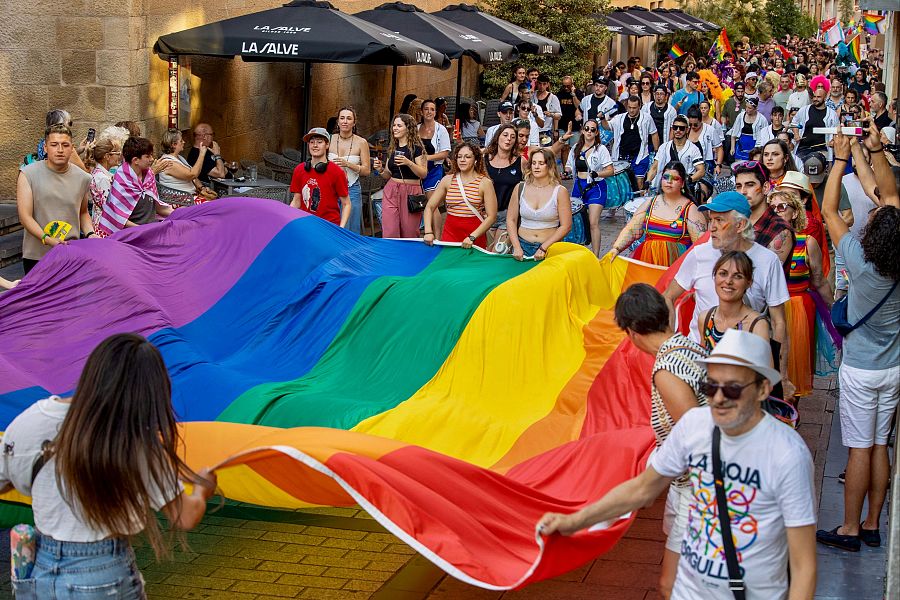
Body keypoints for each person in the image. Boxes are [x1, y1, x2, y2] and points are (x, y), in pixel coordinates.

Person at [539, 328, 817, 600]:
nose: (718, 398)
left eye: (732, 388)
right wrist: (574, 521)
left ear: (762, 390)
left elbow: (803, 566)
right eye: (711, 386)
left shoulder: (787, 454)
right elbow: (642, 489)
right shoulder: (694, 426)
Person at [0, 333, 218, 598]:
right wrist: (202, 490)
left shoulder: (33, 419)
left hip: (41, 573)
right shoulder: (138, 443)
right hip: (103, 575)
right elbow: (185, 517)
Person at [816, 130, 899, 552]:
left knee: (860, 448)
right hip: (893, 367)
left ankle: (849, 528)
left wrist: (839, 159)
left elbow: (829, 208)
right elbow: (889, 197)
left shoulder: (857, 259)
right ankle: (872, 524)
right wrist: (874, 152)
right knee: (881, 443)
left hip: (862, 370)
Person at [612, 283, 709, 598]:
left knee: (673, 582)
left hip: (700, 487)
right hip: (693, 483)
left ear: (632, 334)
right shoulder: (691, 347)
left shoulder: (667, 369)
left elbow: (698, 435)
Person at [663, 191, 790, 391]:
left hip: (742, 365)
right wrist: (669, 346)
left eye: (719, 220)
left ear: (740, 225)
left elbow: (779, 321)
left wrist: (782, 376)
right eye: (710, 220)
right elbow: (668, 297)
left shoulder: (768, 260)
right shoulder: (699, 254)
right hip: (696, 359)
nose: (711, 227)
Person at [767, 189, 833, 397]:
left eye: (782, 207)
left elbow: (819, 281)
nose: (776, 212)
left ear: (795, 213)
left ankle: (790, 416)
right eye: (772, 208)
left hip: (798, 308)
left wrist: (835, 311)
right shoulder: (761, 241)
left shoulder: (807, 243)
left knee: (794, 368)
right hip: (769, 308)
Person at [17, 124, 93, 275]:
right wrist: (48, 239)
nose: (60, 150)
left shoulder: (83, 178)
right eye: (54, 145)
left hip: (70, 254)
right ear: (45, 148)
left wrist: (91, 234)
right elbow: (25, 217)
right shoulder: (28, 174)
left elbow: (83, 213)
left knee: (71, 298)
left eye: (65, 145)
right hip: (37, 256)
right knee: (38, 299)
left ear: (72, 148)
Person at [611, 161, 704, 267]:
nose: (669, 181)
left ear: (682, 183)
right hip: (647, 264)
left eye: (675, 178)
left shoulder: (690, 209)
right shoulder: (649, 204)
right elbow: (632, 230)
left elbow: (700, 245)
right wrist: (616, 249)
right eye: (666, 177)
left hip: (676, 269)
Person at [423, 141, 497, 249]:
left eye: (467, 157)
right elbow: (429, 207)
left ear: (476, 160)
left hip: (475, 236)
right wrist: (428, 232)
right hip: (450, 234)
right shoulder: (447, 180)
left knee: (472, 265)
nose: (462, 160)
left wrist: (472, 237)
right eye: (459, 157)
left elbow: (491, 216)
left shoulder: (485, 183)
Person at [97, 137, 173, 237]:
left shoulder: (149, 176)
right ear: (136, 160)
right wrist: (142, 230)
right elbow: (117, 218)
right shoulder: (121, 180)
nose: (152, 159)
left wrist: (179, 214)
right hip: (132, 236)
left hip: (151, 230)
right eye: (148, 156)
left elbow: (158, 207)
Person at [506, 148, 572, 261]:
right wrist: (516, 247)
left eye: (541, 163)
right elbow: (511, 219)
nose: (536, 167)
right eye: (534, 163)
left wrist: (543, 248)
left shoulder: (560, 191)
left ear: (550, 166)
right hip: (522, 247)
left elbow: (566, 226)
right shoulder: (520, 188)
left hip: (550, 248)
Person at [698, 250, 771, 349]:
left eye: (737, 276)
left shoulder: (757, 325)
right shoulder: (705, 318)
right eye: (723, 274)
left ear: (749, 283)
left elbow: (765, 364)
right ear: (715, 277)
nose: (728, 281)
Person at [565, 119, 613, 256]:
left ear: (597, 132)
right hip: (579, 186)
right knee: (575, 222)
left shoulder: (601, 149)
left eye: (593, 129)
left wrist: (597, 173)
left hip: (596, 187)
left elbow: (611, 170)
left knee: (593, 222)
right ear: (582, 130)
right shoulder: (575, 148)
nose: (589, 132)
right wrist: (566, 172)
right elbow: (569, 165)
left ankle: (596, 255)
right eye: (587, 129)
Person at [733, 159, 794, 266]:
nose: (743, 191)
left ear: (765, 188)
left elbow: (763, 275)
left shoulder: (780, 230)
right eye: (738, 186)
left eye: (750, 185)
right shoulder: (734, 221)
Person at [290, 127, 351, 227]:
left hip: (329, 226)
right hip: (305, 225)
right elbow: (296, 201)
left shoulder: (337, 172)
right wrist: (289, 221)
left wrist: (341, 228)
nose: (315, 145)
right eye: (312, 142)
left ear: (327, 145)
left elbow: (346, 204)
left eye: (319, 142)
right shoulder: (299, 170)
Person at [379, 114, 428, 238]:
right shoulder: (392, 148)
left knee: (409, 232)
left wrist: (408, 163)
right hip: (391, 189)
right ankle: (392, 256)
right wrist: (379, 169)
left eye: (399, 125)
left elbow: (423, 173)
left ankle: (409, 257)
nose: (395, 128)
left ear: (408, 128)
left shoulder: (417, 149)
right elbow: (387, 174)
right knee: (390, 230)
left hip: (411, 191)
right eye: (394, 125)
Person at [329, 107, 373, 234]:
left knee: (350, 229)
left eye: (349, 118)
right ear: (337, 121)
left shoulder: (361, 142)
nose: (345, 121)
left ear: (354, 123)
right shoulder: (329, 139)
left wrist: (348, 164)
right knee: (331, 227)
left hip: (351, 189)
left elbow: (366, 171)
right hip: (330, 189)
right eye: (342, 118)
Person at [604, 96, 658, 190]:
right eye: (629, 107)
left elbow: (654, 133)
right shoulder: (619, 118)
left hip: (640, 155)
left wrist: (657, 151)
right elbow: (607, 127)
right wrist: (602, 119)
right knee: (622, 183)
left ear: (639, 106)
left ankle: (639, 202)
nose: (631, 110)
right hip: (621, 155)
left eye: (634, 108)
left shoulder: (647, 118)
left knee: (639, 183)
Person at [484, 123, 522, 246]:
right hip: (486, 214)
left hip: (507, 215)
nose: (508, 139)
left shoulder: (521, 161)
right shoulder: (484, 159)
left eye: (512, 137)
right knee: (486, 253)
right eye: (505, 135)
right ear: (497, 137)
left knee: (499, 252)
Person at [646, 116, 704, 192]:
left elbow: (701, 170)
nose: (678, 130)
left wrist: (689, 180)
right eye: (675, 127)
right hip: (664, 187)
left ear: (687, 130)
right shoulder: (664, 147)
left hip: (683, 189)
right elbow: (654, 168)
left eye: (681, 128)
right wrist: (648, 181)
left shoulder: (693, 149)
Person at [157, 129, 210, 202]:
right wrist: (202, 154)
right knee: (218, 207)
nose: (184, 142)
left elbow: (193, 176)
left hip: (190, 197)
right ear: (174, 144)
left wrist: (202, 187)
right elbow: (192, 174)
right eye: (181, 141)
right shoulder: (168, 162)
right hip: (181, 200)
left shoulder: (180, 158)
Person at [87, 136, 123, 234]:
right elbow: (108, 207)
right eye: (117, 153)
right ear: (107, 156)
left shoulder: (100, 174)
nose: (119, 156)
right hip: (105, 227)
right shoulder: (102, 178)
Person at [792, 87, 838, 159]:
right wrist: (796, 134)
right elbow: (794, 123)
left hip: (822, 150)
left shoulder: (832, 114)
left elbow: (837, 131)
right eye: (814, 96)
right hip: (803, 149)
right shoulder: (804, 110)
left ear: (825, 98)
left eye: (819, 97)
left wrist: (833, 141)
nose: (816, 99)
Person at [686, 105, 723, 196]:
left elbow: (719, 148)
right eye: (690, 124)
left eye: (695, 124)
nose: (693, 127)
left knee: (702, 192)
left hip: (706, 165)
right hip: (689, 165)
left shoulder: (710, 130)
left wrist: (718, 165)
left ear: (700, 120)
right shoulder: (686, 130)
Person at [729, 97, 770, 162]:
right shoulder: (741, 116)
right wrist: (732, 147)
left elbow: (765, 136)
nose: (747, 109)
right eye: (746, 107)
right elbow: (734, 132)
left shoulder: (762, 119)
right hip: (741, 144)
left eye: (750, 108)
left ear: (755, 109)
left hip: (755, 145)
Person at [556, 75, 584, 168]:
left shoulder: (578, 93)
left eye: (568, 86)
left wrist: (573, 95)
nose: (566, 88)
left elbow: (579, 106)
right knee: (564, 148)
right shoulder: (559, 94)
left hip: (575, 126)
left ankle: (574, 168)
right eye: (564, 86)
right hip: (562, 125)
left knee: (575, 148)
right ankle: (565, 169)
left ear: (572, 85)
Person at [643, 84, 676, 149]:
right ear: (654, 95)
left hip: (664, 141)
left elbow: (672, 129)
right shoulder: (646, 108)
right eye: (657, 94)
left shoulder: (671, 110)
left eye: (661, 94)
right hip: (648, 142)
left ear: (666, 96)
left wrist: (668, 144)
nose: (659, 96)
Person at [534, 74, 562, 145]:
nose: (541, 86)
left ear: (547, 84)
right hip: (533, 130)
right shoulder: (532, 96)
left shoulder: (553, 97)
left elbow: (558, 115)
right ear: (537, 83)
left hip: (546, 131)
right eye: (540, 83)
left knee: (545, 153)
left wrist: (551, 114)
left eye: (544, 84)